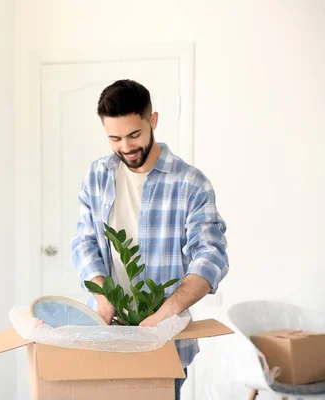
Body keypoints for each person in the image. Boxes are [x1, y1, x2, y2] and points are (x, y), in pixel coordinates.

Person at [70, 79, 229, 400]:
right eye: (114, 138)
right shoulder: (97, 175)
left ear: (152, 121)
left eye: (134, 135)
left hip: (164, 337)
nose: (125, 147)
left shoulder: (191, 183)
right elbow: (83, 243)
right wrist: (103, 296)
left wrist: (166, 314)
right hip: (106, 332)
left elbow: (210, 256)